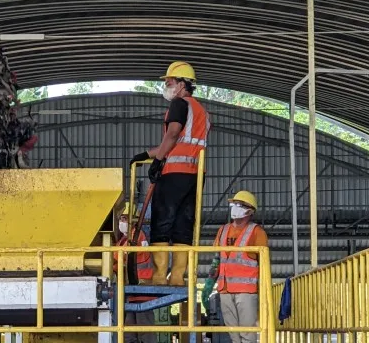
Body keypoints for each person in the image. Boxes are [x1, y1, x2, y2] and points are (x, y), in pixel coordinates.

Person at [130, 61, 210, 286]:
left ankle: (158, 277)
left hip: (174, 173)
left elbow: (173, 134)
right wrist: (146, 154)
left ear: (184, 85)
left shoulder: (178, 104)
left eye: (170, 82)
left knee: (162, 225)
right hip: (194, 175)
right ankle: (177, 277)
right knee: (183, 226)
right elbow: (181, 142)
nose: (167, 86)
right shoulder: (200, 111)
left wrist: (158, 160)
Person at [212, 190, 269, 343]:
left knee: (247, 333)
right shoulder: (222, 230)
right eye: (234, 204)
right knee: (233, 334)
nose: (235, 207)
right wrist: (211, 279)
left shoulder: (257, 232)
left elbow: (264, 264)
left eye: (240, 205)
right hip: (224, 289)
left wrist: (263, 290)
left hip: (246, 292)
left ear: (250, 210)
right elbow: (217, 257)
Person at [114, 208, 156, 343]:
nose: (122, 222)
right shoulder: (124, 239)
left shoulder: (137, 236)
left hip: (143, 290)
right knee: (128, 332)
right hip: (132, 292)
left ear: (134, 220)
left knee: (145, 331)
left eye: (125, 219)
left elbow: (122, 254)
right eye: (121, 218)